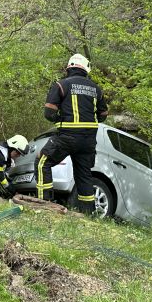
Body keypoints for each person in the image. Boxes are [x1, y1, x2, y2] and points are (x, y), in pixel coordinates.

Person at [37, 53, 108, 213]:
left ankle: (44, 205)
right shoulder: (96, 89)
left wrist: (61, 120)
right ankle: (88, 213)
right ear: (86, 69)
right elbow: (103, 115)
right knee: (84, 175)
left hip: (67, 137)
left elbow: (49, 113)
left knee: (42, 162)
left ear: (69, 67)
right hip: (88, 142)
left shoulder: (61, 85)